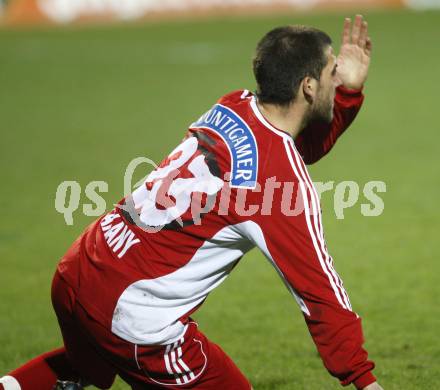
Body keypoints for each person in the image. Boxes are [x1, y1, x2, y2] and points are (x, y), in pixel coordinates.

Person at [0, 15, 383, 390]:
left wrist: (347, 94)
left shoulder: (234, 104)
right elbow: (320, 293)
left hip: (81, 268)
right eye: (333, 71)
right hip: (132, 312)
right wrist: (364, 379)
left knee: (85, 360)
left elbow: (293, 149)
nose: (339, 77)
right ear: (309, 87)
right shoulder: (280, 187)